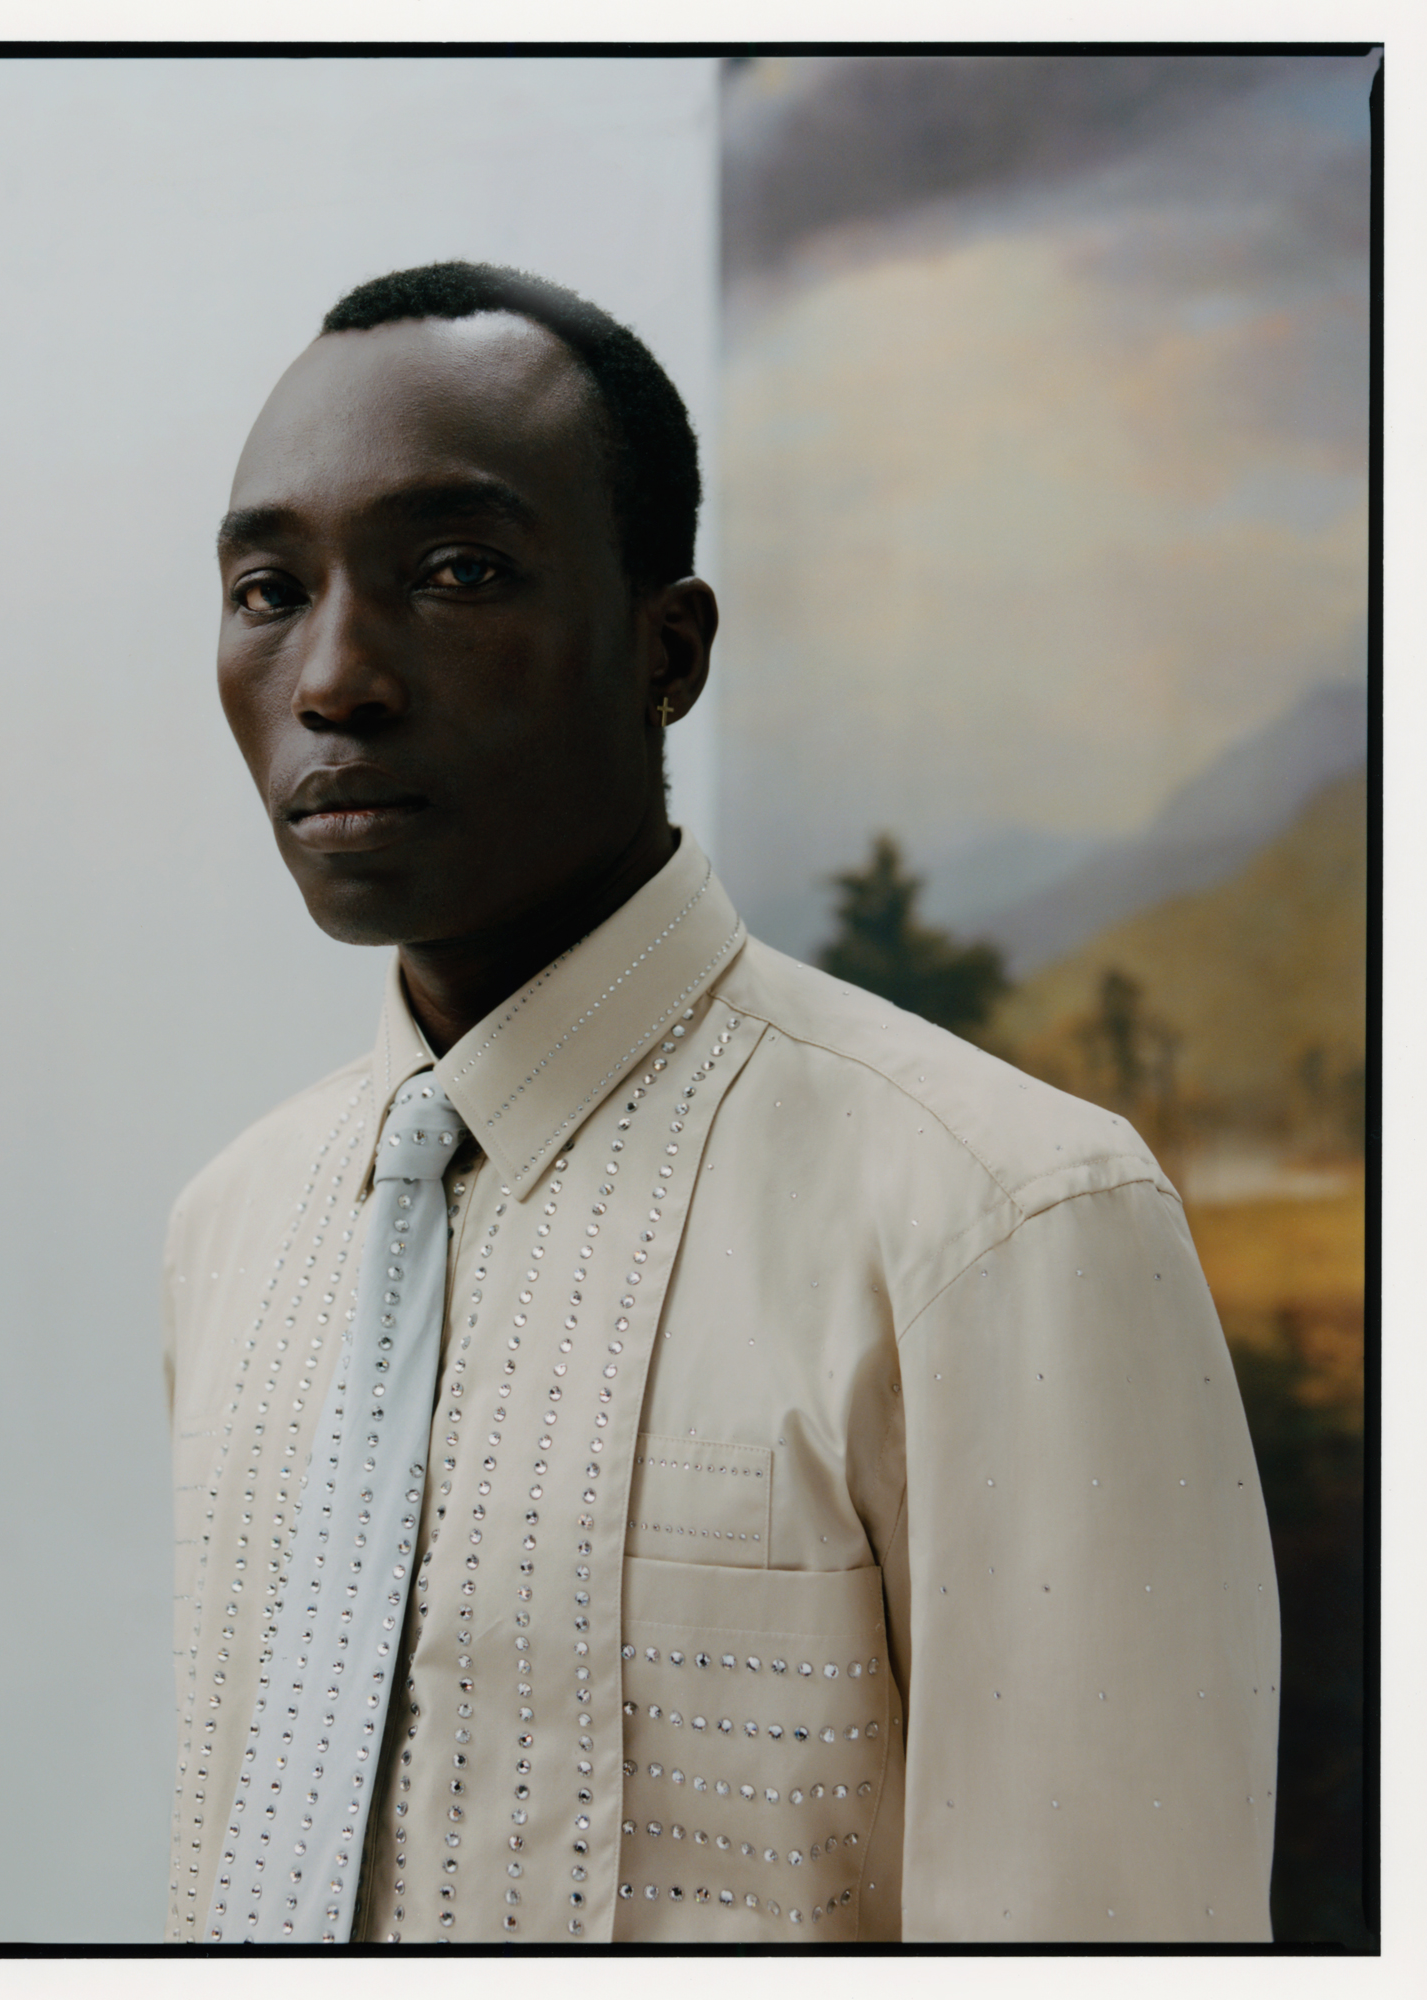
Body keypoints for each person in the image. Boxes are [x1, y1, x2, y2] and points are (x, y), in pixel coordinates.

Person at [162, 262, 1279, 1946]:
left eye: (457, 573)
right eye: (268, 588)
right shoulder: (231, 1232)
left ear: (664, 652)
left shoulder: (1001, 1224)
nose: (334, 679)